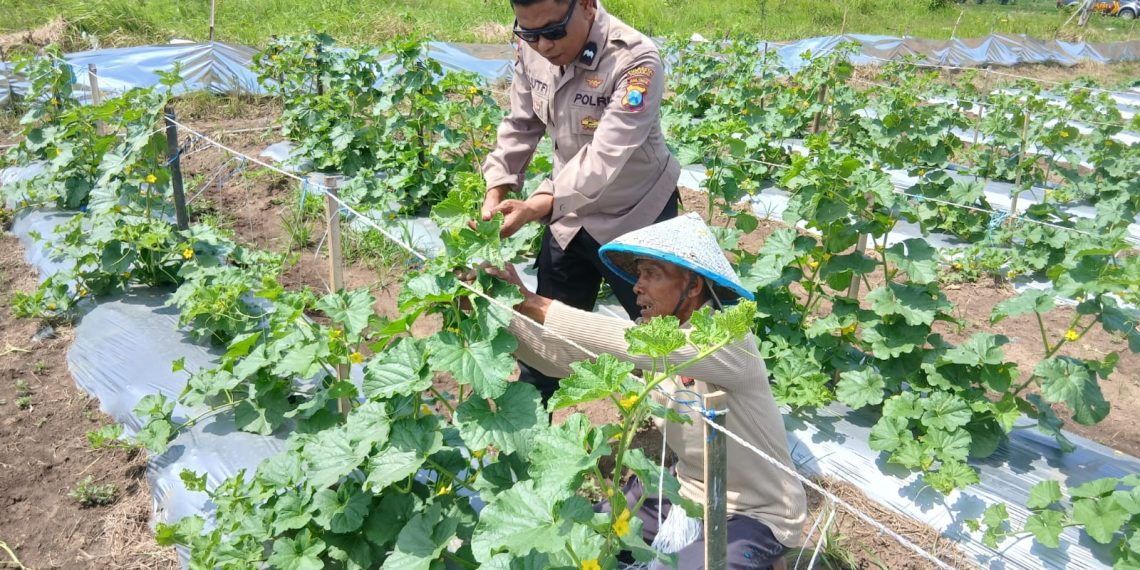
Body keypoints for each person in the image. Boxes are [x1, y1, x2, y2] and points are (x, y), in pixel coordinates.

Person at [486, 213, 807, 570]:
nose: (638, 286)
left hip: (757, 514)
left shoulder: (729, 341)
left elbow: (636, 344)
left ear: (693, 285)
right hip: (684, 492)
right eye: (639, 274)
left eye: (652, 274)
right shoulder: (655, 339)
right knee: (582, 537)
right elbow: (562, 359)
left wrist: (536, 304)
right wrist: (497, 312)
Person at [480, 0, 682, 402]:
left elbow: (604, 158)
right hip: (568, 218)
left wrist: (534, 207)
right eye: (529, 34)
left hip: (635, 219)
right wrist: (496, 188)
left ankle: (677, 435)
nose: (543, 45)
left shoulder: (635, 61)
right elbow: (521, 124)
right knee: (544, 343)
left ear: (587, 5)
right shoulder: (533, 49)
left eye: (553, 31)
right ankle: (535, 429)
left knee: (664, 346)